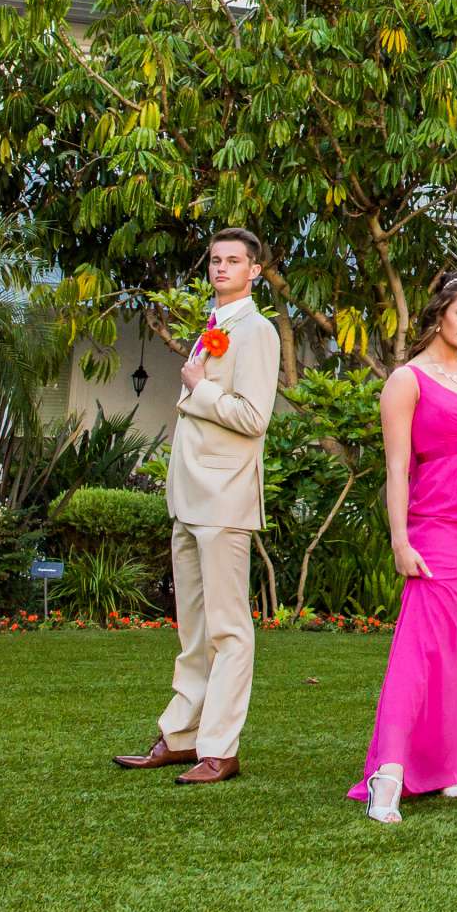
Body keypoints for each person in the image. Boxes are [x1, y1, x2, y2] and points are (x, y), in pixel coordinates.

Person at [114, 228, 281, 785]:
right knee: (193, 627)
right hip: (189, 497)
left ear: (255, 270)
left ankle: (220, 747)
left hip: (225, 498)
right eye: (215, 260)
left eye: (234, 261)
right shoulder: (213, 326)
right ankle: (182, 736)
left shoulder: (256, 331)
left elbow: (254, 416)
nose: (221, 268)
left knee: (229, 630)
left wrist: (198, 388)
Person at [349, 273, 457, 823]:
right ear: (439, 312)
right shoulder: (406, 381)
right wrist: (399, 539)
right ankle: (388, 772)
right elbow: (397, 469)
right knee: (417, 649)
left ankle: (447, 767)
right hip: (433, 524)